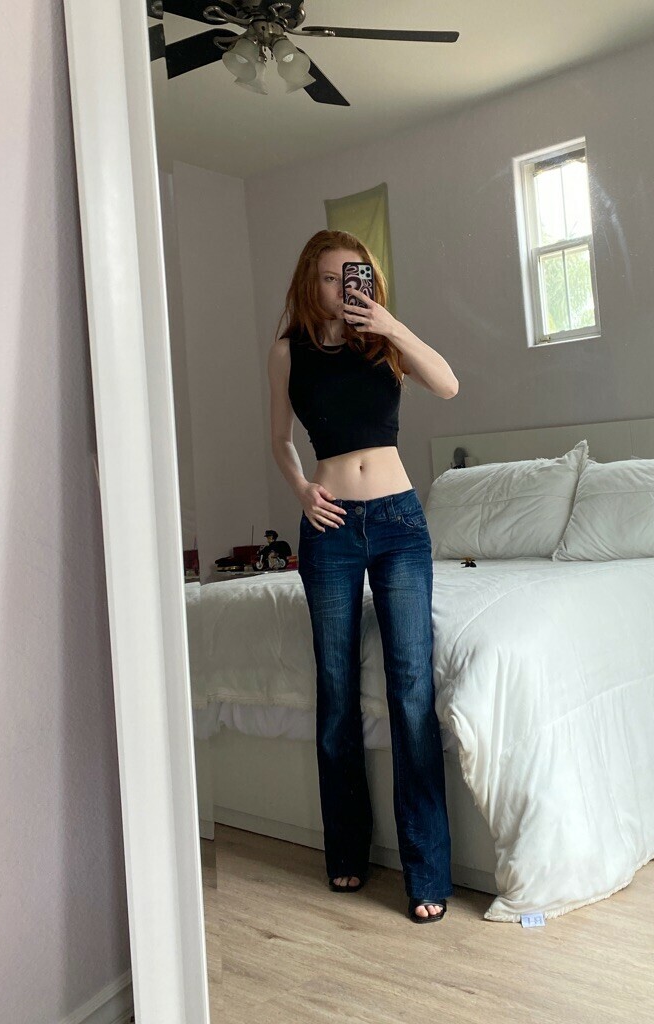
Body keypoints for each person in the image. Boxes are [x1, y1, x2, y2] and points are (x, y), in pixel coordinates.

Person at [267, 230, 459, 924]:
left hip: (400, 521)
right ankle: (346, 850)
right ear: (308, 281)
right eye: (329, 276)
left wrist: (390, 324)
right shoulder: (287, 352)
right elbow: (279, 438)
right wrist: (300, 490)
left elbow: (448, 383)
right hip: (329, 528)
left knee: (411, 688)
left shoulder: (383, 340)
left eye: (355, 274)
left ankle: (427, 871)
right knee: (336, 687)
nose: (342, 286)